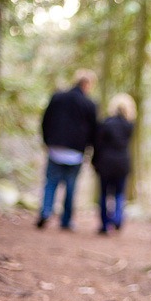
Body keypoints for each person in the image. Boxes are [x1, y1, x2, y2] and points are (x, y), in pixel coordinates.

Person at [36, 69, 97, 230]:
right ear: (87, 84)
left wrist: (47, 141)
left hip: (55, 148)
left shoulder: (57, 97)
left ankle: (45, 211)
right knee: (70, 186)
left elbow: (45, 120)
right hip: (75, 153)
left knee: (51, 183)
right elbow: (93, 130)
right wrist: (89, 149)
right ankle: (66, 220)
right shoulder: (89, 104)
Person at [92, 93, 136, 234]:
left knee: (104, 194)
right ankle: (117, 219)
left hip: (105, 163)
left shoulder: (105, 124)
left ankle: (105, 225)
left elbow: (97, 144)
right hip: (122, 163)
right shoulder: (129, 126)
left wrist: (95, 161)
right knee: (119, 193)